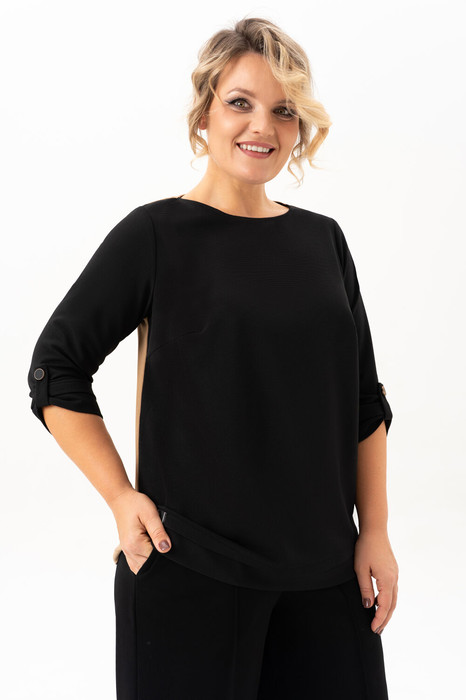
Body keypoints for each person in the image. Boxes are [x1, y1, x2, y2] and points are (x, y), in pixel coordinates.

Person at [27, 16, 399, 700]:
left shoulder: (324, 242)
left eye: (283, 110)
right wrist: (121, 498)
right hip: (189, 573)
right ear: (205, 115)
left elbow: (363, 401)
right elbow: (55, 368)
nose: (263, 126)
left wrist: (373, 531)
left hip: (325, 577)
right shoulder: (156, 234)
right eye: (240, 102)